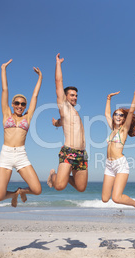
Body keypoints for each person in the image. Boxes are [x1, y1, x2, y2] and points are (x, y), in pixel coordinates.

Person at [0, 59, 43, 207]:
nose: (20, 106)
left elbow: (34, 96)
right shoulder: (6, 115)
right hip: (6, 154)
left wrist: (40, 77)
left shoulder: (27, 117)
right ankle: (15, 194)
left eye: (23, 104)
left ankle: (22, 191)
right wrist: (3, 69)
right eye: (17, 103)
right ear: (12, 104)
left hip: (21, 154)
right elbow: (5, 90)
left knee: (37, 189)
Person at [102, 80, 135, 218]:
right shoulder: (112, 129)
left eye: (121, 115)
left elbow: (132, 109)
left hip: (120, 164)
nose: (118, 116)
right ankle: (134, 204)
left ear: (124, 118)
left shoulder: (123, 130)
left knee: (116, 198)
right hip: (109, 164)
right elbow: (107, 114)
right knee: (104, 198)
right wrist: (108, 99)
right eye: (117, 114)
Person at [47, 53, 88, 192]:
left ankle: (60, 177)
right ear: (65, 97)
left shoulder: (72, 112)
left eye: (76, 95)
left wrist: (56, 123)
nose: (75, 97)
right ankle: (54, 176)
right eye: (72, 95)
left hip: (82, 153)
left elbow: (63, 122)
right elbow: (58, 83)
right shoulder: (64, 106)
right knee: (59, 186)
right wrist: (58, 64)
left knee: (81, 187)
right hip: (69, 151)